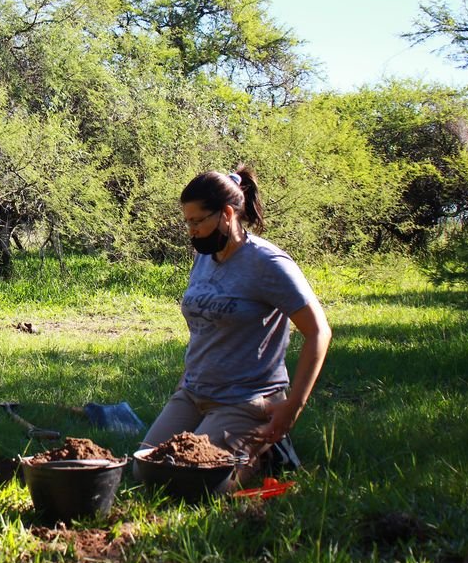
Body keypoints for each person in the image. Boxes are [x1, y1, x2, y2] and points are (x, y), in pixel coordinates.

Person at [137, 166, 331, 485]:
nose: (191, 231)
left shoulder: (268, 264)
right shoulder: (204, 257)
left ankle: (266, 452)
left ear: (227, 213)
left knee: (195, 484)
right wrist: (187, 377)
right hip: (194, 392)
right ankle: (238, 449)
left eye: (198, 221)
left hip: (248, 398)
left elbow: (318, 331)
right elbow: (205, 322)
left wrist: (294, 404)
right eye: (187, 221)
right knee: (146, 472)